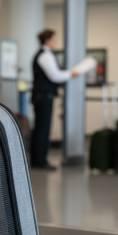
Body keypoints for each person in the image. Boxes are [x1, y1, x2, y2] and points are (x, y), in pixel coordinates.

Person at [31, 29, 81, 170]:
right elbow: (55, 76)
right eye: (54, 39)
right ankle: (40, 161)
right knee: (43, 129)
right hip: (43, 97)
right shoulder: (45, 56)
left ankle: (38, 159)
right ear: (48, 40)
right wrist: (71, 74)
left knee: (40, 128)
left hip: (41, 96)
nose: (56, 42)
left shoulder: (42, 54)